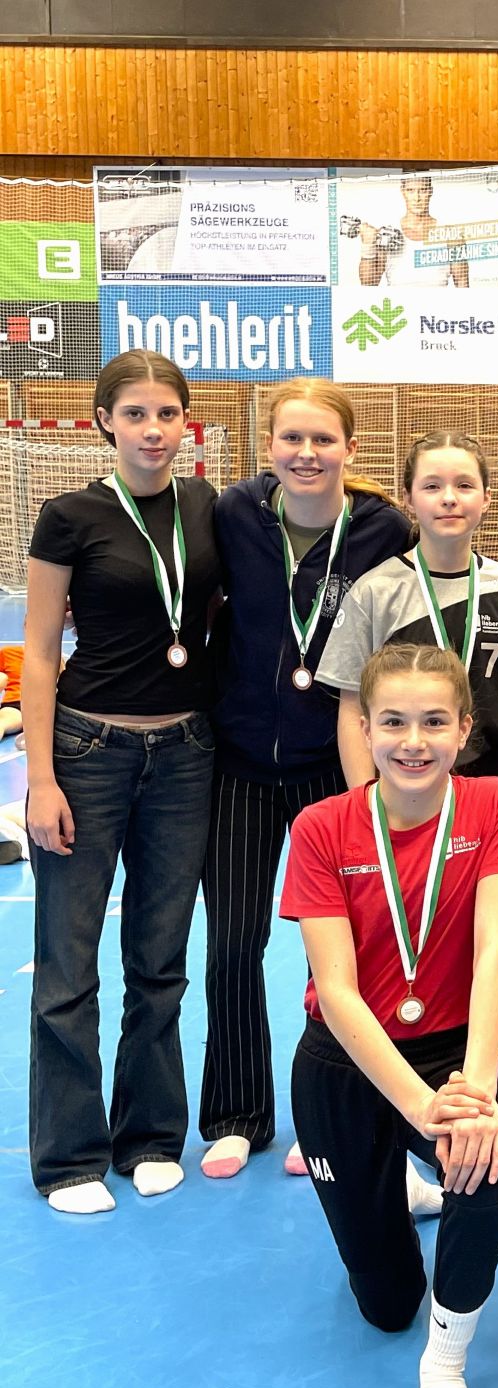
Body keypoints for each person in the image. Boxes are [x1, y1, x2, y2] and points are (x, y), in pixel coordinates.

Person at [281, 643, 498, 1388]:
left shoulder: (495, 805)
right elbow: (337, 992)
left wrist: (476, 1094)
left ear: (464, 727)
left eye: (432, 721)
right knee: (386, 1304)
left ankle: (444, 1367)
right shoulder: (322, 827)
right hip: (347, 1061)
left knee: (485, 1162)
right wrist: (420, 1109)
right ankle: (400, 1174)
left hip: (450, 1050)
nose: (412, 741)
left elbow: (493, 953)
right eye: (392, 721)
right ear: (364, 728)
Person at [199, 377, 412, 1180]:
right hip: (242, 764)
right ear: (269, 446)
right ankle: (236, 1113)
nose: (307, 453)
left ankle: (336, 1104)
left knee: (346, 956)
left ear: (350, 448)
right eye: (292, 438)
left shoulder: (383, 528)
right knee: (233, 943)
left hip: (333, 764)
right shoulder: (234, 513)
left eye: (323, 439)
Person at [24, 351, 223, 1213]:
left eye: (167, 414)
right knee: (68, 967)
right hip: (88, 751)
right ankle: (70, 1156)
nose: (152, 430)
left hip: (185, 754)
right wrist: (40, 779)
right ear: (105, 420)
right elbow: (39, 653)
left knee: (159, 959)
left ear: (187, 422)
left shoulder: (206, 506)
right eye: (135, 414)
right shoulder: (69, 516)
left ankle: (149, 1136)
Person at [318, 432, 498, 792]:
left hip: (492, 789)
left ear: (486, 498)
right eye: (431, 486)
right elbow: (352, 710)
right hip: (400, 788)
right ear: (408, 499)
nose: (449, 498)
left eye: (464, 485)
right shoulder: (376, 591)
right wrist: (365, 801)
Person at [356, 173, 469, 287]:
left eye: (423, 190)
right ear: (403, 191)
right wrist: (368, 245)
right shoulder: (388, 234)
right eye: (410, 190)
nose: (417, 198)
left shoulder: (451, 234)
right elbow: (369, 283)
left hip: (437, 298)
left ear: (430, 191)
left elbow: (462, 282)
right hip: (397, 299)